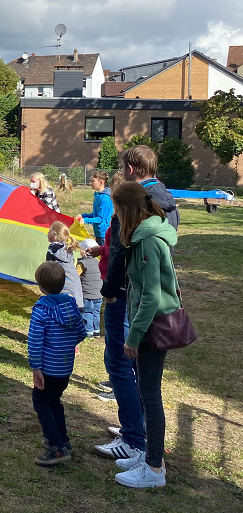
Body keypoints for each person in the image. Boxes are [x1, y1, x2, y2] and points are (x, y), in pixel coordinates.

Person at [95, 152, 179, 458]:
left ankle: (135, 440)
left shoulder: (137, 212)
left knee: (123, 366)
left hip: (134, 299)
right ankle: (137, 431)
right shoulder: (165, 201)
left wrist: (109, 290)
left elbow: (123, 254)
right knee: (140, 377)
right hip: (141, 299)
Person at [111, 181, 178, 488]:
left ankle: (153, 469)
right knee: (145, 392)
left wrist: (133, 337)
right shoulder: (144, 235)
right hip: (146, 322)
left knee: (150, 396)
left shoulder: (149, 240)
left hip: (153, 325)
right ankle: (148, 454)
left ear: (127, 210)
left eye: (117, 209)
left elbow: (151, 295)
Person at [28, 261, 86, 466]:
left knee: (41, 402)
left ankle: (57, 446)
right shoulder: (71, 305)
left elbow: (35, 341)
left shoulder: (41, 311)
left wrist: (36, 368)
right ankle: (63, 439)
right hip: (64, 369)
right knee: (54, 401)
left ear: (41, 287)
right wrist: (67, 346)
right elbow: (81, 332)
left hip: (48, 369)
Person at [122, 145, 180, 232]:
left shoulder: (136, 202)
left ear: (131, 169)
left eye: (123, 168)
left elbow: (126, 242)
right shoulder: (169, 199)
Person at [46, 221, 83, 309]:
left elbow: (48, 269)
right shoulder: (67, 248)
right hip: (76, 295)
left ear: (54, 236)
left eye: (49, 231)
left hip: (64, 292)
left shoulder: (53, 249)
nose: (47, 233)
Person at [75, 171, 113, 245]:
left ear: (101, 183)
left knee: (103, 254)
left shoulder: (104, 199)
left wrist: (85, 220)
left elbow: (100, 218)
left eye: (93, 181)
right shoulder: (97, 195)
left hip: (104, 233)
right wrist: (83, 216)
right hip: (98, 232)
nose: (90, 183)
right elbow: (96, 214)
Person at [78, 239, 103, 338]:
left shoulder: (82, 264)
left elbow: (76, 275)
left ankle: (88, 331)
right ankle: (96, 330)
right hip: (98, 293)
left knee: (87, 311)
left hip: (87, 293)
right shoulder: (98, 261)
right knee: (96, 312)